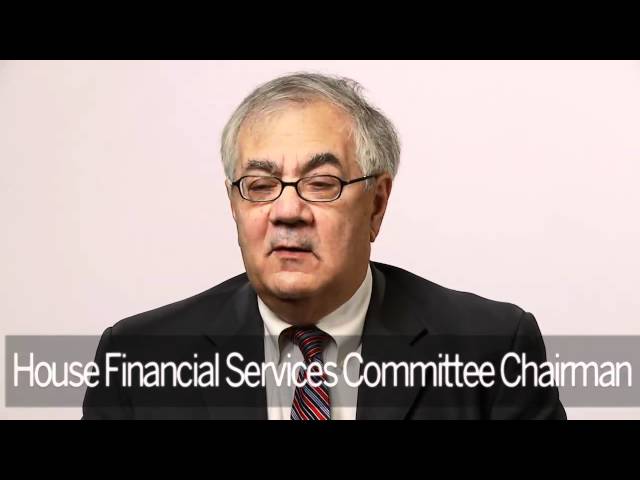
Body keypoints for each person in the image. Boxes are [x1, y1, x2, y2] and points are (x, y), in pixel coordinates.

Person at [83, 72, 566, 420]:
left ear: (376, 204)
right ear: (234, 205)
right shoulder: (138, 359)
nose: (287, 211)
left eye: (321, 184)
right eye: (260, 185)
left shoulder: (492, 349)